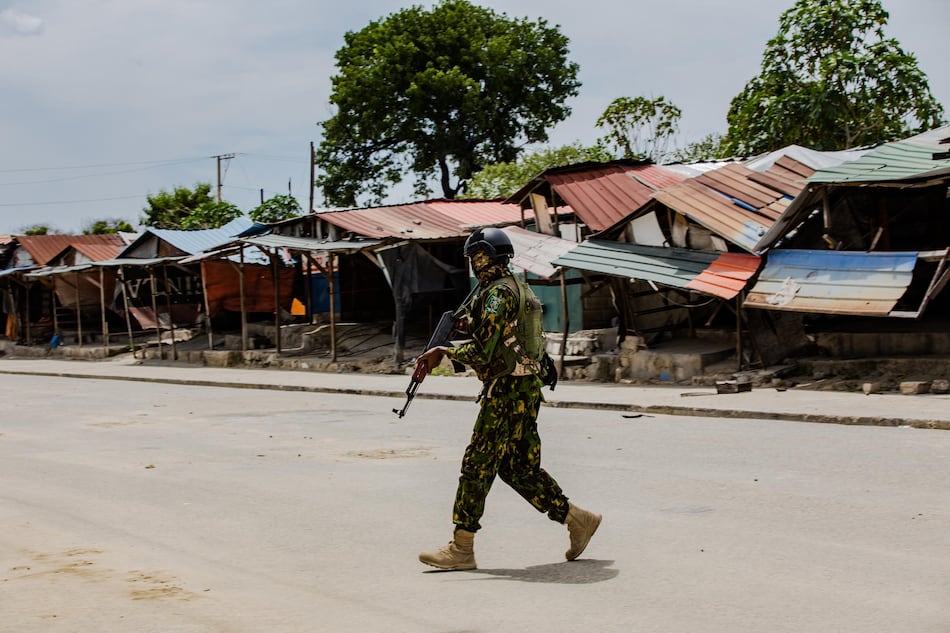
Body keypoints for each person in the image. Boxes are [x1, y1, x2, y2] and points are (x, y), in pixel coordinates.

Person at [415, 227, 601, 571]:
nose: (473, 263)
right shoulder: (515, 285)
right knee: (517, 468)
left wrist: (444, 351)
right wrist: (462, 327)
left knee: (477, 464)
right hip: (526, 389)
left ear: (485, 256)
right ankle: (577, 518)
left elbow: (487, 351)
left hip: (506, 392)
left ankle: (461, 547)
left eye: (475, 257)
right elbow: (499, 331)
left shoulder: (497, 294)